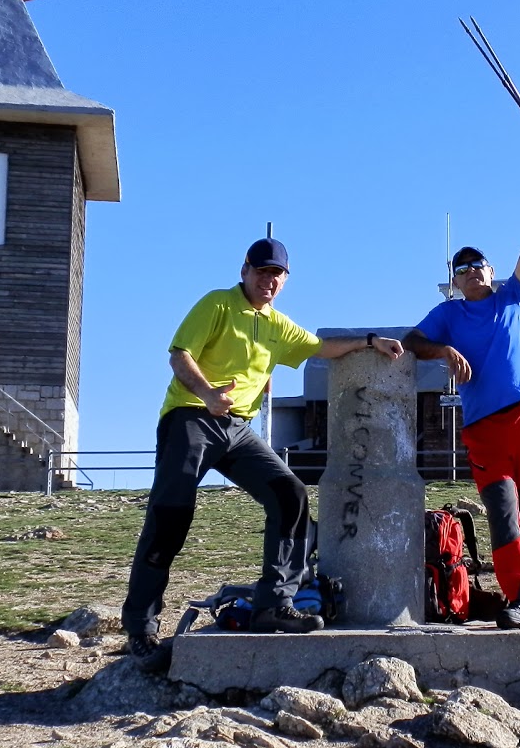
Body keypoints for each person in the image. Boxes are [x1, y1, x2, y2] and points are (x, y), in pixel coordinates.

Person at [123, 237, 403, 668]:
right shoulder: (217, 304)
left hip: (237, 430)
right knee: (170, 515)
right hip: (191, 416)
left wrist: (370, 341)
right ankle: (141, 628)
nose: (268, 281)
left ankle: (274, 603)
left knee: (290, 494)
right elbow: (179, 355)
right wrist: (207, 392)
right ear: (244, 271)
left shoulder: (278, 325)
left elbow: (320, 348)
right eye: (261, 272)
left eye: (277, 275)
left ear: (285, 280)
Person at [403, 168, 520, 629]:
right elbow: (413, 340)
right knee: (502, 511)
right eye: (460, 269)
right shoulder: (448, 314)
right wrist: (442, 349)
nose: (469, 272)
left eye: (476, 264)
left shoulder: (514, 299)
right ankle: (519, 594)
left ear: (490, 270)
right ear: (454, 282)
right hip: (483, 426)